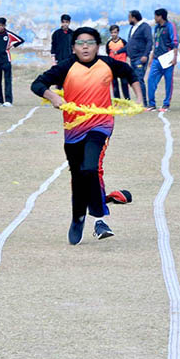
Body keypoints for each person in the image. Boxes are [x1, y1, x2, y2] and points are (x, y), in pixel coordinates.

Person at [31, 27, 141, 245]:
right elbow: (37, 84)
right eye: (80, 42)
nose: (85, 46)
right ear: (73, 47)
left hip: (101, 125)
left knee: (91, 168)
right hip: (73, 130)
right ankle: (78, 215)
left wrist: (138, 98)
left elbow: (130, 73)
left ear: (97, 46)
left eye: (90, 42)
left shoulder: (107, 65)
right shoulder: (66, 66)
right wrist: (52, 95)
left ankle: (100, 219)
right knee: (79, 175)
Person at [116, 10, 153, 107]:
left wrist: (145, 55)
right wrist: (118, 51)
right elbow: (130, 45)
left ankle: (144, 104)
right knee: (135, 80)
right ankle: (140, 101)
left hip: (140, 58)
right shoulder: (133, 28)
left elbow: (149, 41)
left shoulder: (145, 27)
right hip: (133, 59)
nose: (128, 20)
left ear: (134, 17)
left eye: (129, 17)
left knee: (139, 79)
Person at [146, 8, 179, 112]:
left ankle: (166, 105)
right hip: (156, 59)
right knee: (150, 80)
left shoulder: (170, 26)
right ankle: (151, 104)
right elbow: (155, 43)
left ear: (160, 16)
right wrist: (151, 58)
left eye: (155, 16)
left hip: (168, 59)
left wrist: (174, 57)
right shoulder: (156, 28)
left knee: (168, 82)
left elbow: (175, 42)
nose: (154, 18)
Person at [0, 18, 24, 107]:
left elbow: (21, 40)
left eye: (2, 25)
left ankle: (8, 100)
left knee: (7, 81)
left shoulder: (8, 34)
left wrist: (12, 45)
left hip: (6, 61)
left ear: (5, 25)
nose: (0, 27)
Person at [106, 25, 129, 99]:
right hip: (113, 66)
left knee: (124, 83)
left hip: (122, 65)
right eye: (112, 33)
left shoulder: (123, 42)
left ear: (118, 32)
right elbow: (108, 53)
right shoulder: (109, 43)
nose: (113, 34)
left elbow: (127, 50)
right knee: (114, 84)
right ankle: (117, 100)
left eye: (115, 32)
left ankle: (127, 99)